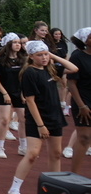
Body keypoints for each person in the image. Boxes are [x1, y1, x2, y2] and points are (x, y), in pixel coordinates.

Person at [9, 40, 78, 194]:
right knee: (32, 154)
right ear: (31, 56)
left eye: (46, 54)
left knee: (55, 154)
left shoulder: (51, 69)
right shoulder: (29, 73)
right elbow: (31, 101)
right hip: (37, 120)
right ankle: (14, 188)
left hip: (55, 118)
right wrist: (41, 125)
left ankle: (55, 186)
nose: (44, 58)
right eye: (40, 55)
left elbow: (73, 68)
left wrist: (52, 55)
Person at [0, 33, 26, 160]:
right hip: (5, 92)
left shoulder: (23, 59)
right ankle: (0, 147)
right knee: (5, 120)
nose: (18, 44)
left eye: (19, 42)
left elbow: (25, 78)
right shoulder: (0, 60)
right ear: (8, 44)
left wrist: (23, 93)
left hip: (19, 92)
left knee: (23, 119)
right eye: (15, 42)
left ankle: (23, 146)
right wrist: (4, 93)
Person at [67, 27, 91, 173]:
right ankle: (74, 175)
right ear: (85, 40)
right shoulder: (77, 56)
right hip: (83, 100)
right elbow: (72, 83)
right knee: (84, 138)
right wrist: (81, 106)